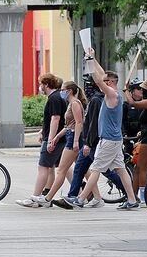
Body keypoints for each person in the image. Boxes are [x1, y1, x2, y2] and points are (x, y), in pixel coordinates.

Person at [72, 49, 138, 210]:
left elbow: (99, 79)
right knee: (121, 170)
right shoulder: (112, 93)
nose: (100, 83)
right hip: (114, 139)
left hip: (108, 140)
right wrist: (93, 58)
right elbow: (101, 75)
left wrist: (89, 62)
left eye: (105, 81)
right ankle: (132, 200)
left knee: (95, 169)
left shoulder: (112, 95)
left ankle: (80, 199)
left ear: (110, 82)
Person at [52, 75, 125, 209]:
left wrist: (87, 143)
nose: (87, 87)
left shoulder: (97, 100)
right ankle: (74, 197)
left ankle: (129, 194)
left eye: (89, 84)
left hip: (94, 142)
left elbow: (93, 124)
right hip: (93, 141)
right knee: (80, 168)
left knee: (106, 171)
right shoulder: (96, 99)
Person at [17, 73, 66, 207]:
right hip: (59, 139)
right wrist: (42, 132)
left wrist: (50, 140)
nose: (40, 87)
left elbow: (55, 119)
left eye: (40, 84)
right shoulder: (58, 97)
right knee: (63, 168)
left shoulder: (54, 99)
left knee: (43, 167)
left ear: (46, 84)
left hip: (54, 140)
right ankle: (76, 192)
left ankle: (35, 198)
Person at [34, 81, 87, 206]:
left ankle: (47, 198)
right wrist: (57, 137)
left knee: (62, 170)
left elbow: (79, 123)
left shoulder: (74, 103)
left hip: (73, 138)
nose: (61, 92)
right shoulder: (70, 103)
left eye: (63, 89)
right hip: (70, 136)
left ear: (69, 91)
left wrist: (75, 141)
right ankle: (94, 196)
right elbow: (69, 125)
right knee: (82, 169)